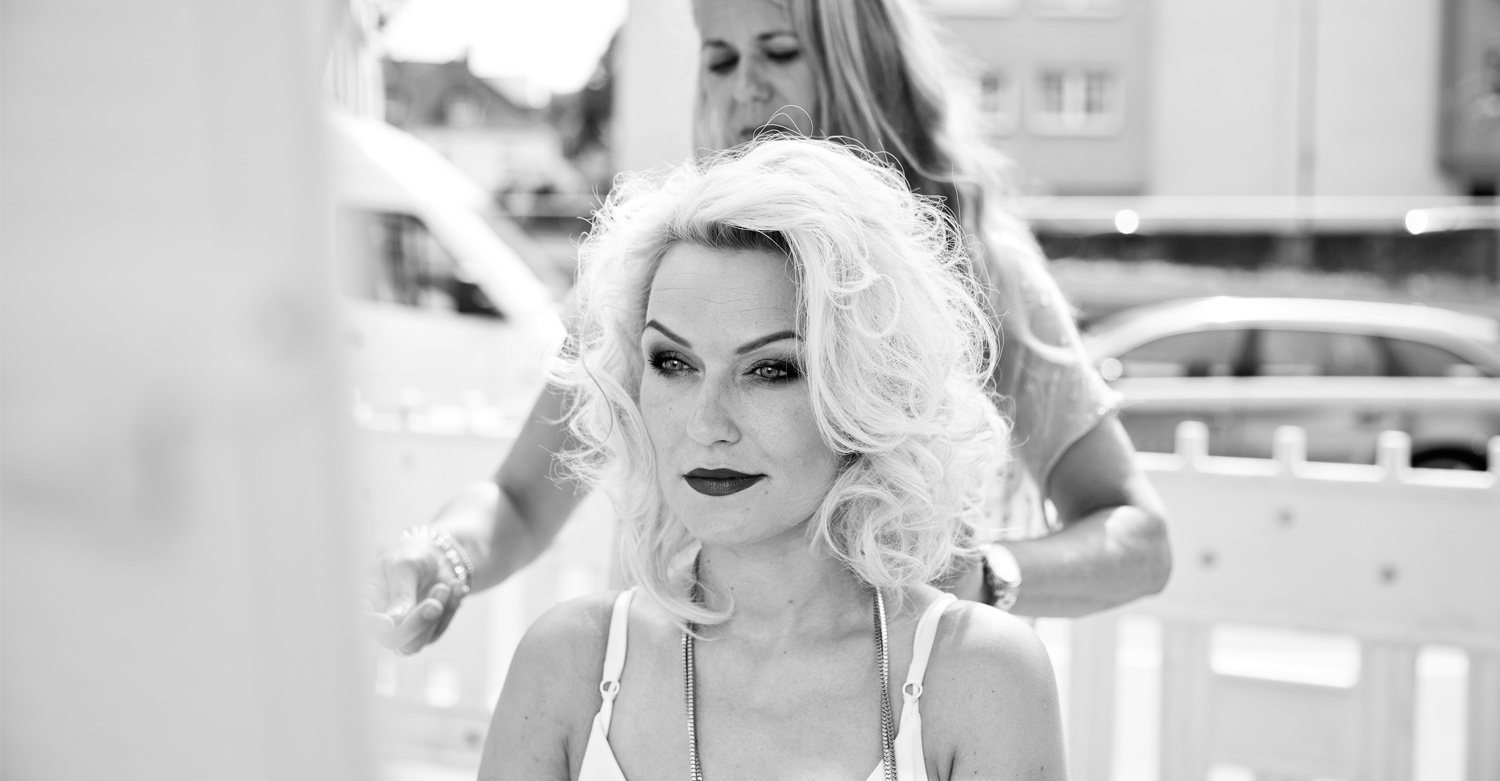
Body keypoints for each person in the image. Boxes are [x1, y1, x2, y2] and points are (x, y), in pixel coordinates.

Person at [365, 0, 1171, 654]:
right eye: (720, 58)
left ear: (861, 59)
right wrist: (441, 559)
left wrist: (982, 577)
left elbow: (1137, 539)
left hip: (889, 743)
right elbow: (518, 500)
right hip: (660, 732)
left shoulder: (973, 263)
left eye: (779, 51)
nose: (746, 87)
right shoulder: (656, 265)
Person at [461, 137, 1074, 781]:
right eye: (672, 362)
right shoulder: (570, 664)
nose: (706, 423)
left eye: (771, 370)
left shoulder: (980, 675)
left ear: (866, 389)